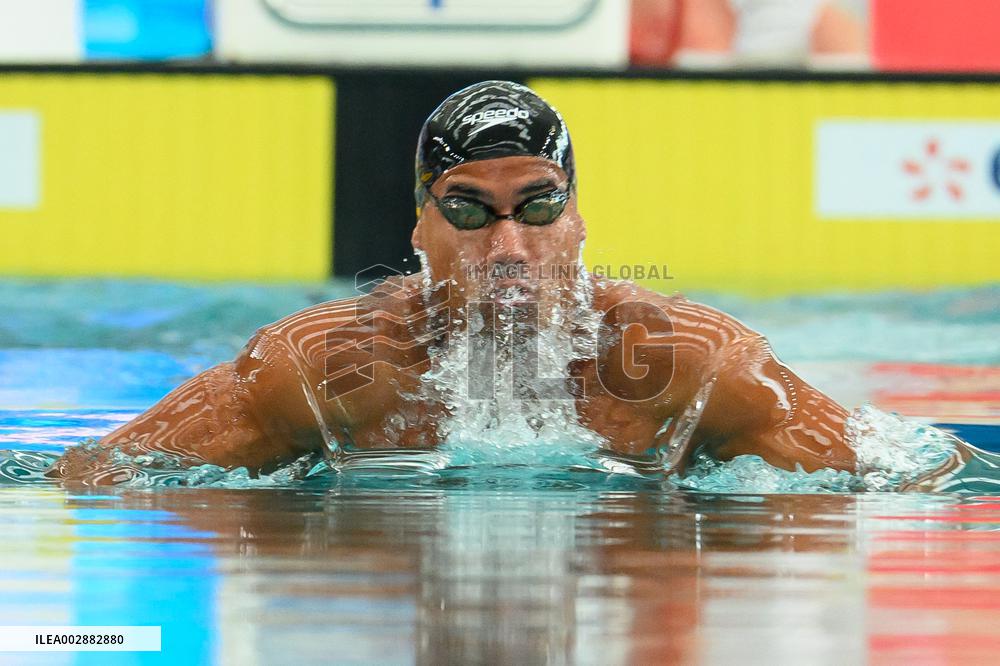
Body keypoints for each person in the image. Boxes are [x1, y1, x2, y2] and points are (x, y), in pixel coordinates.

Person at [47, 81, 956, 487]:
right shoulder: (322, 370)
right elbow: (97, 478)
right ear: (419, 230)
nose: (511, 246)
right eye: (471, 212)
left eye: (537, 207)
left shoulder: (689, 365)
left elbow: (911, 478)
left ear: (580, 222)